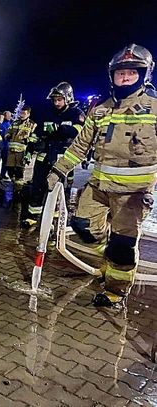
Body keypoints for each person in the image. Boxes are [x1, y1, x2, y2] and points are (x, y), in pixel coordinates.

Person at [47, 44, 157, 307]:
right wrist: (59, 169)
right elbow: (80, 145)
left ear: (144, 75)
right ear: (113, 77)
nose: (126, 77)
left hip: (133, 194)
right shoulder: (100, 110)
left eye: (132, 72)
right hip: (99, 187)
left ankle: (116, 292)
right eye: (121, 73)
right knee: (83, 227)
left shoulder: (154, 109)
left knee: (122, 245)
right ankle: (109, 256)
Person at [21, 82, 85, 227]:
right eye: (54, 100)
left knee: (59, 188)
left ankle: (56, 219)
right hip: (45, 153)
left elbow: (79, 131)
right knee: (37, 185)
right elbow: (36, 134)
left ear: (67, 98)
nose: (56, 103)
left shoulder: (76, 113)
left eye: (59, 100)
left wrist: (59, 129)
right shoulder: (46, 113)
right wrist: (29, 151)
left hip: (64, 157)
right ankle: (33, 216)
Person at [5, 105, 37, 197]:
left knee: (19, 171)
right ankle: (14, 182)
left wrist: (29, 144)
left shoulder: (32, 124)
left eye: (24, 113)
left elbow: (34, 137)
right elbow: (8, 131)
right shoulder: (15, 123)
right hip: (11, 151)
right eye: (20, 113)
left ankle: (18, 190)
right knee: (9, 169)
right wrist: (7, 135)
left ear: (28, 114)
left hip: (22, 152)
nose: (21, 115)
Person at [0, 111, 12, 179]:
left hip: (6, 147)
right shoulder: (3, 125)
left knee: (5, 162)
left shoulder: (9, 124)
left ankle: (2, 174)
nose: (10, 116)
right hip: (2, 146)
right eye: (9, 115)